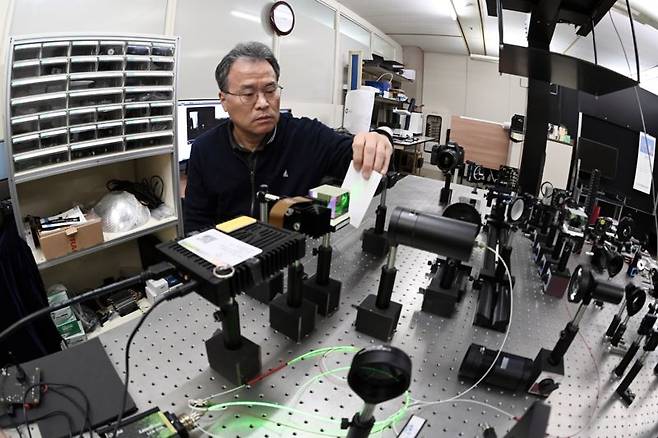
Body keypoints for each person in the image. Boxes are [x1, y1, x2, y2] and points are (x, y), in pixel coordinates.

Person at [183, 41, 393, 233]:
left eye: (270, 90)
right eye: (248, 94)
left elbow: (365, 159)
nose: (263, 103)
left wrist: (380, 139)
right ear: (224, 100)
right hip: (229, 262)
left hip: (293, 259)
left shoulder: (308, 136)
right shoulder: (205, 149)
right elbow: (196, 224)